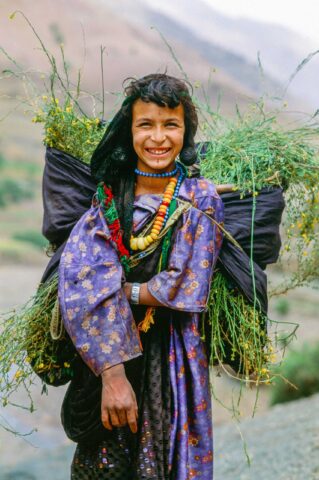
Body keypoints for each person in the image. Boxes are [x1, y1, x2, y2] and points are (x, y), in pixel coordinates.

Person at [58, 73, 224, 479]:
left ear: (187, 132)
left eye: (171, 125)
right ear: (128, 130)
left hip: (171, 357)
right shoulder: (109, 196)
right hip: (109, 357)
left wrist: (123, 291)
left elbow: (183, 286)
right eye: (145, 125)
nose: (158, 138)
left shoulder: (199, 198)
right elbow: (82, 282)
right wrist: (113, 378)